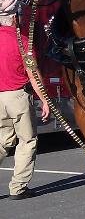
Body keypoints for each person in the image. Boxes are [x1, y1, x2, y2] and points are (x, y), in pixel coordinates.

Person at [0, 13, 50, 198]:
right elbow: (33, 74)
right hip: (18, 97)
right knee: (27, 141)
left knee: (3, 141)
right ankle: (18, 187)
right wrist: (45, 100)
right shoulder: (22, 42)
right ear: (14, 18)